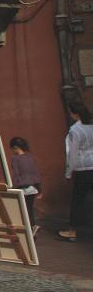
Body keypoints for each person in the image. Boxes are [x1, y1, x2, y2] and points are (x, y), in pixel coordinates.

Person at [58, 102, 93, 242]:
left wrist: (68, 172)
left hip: (82, 167)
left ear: (76, 114)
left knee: (78, 199)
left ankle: (72, 230)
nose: (70, 115)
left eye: (71, 112)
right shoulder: (91, 127)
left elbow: (72, 153)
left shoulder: (75, 131)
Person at [9, 136, 41, 233]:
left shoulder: (15, 159)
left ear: (15, 147)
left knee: (22, 210)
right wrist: (40, 189)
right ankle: (33, 226)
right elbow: (36, 173)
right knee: (29, 209)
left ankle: (28, 230)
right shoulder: (30, 157)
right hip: (33, 188)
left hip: (22, 188)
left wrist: (13, 187)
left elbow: (16, 174)